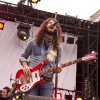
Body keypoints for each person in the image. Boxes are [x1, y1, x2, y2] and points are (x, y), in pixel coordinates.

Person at [19, 18, 63, 98]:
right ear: (45, 26)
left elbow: (58, 64)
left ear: (57, 30)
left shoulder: (58, 48)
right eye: (50, 23)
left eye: (54, 24)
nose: (52, 24)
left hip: (47, 83)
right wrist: (25, 66)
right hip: (31, 80)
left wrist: (58, 69)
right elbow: (23, 57)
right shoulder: (33, 42)